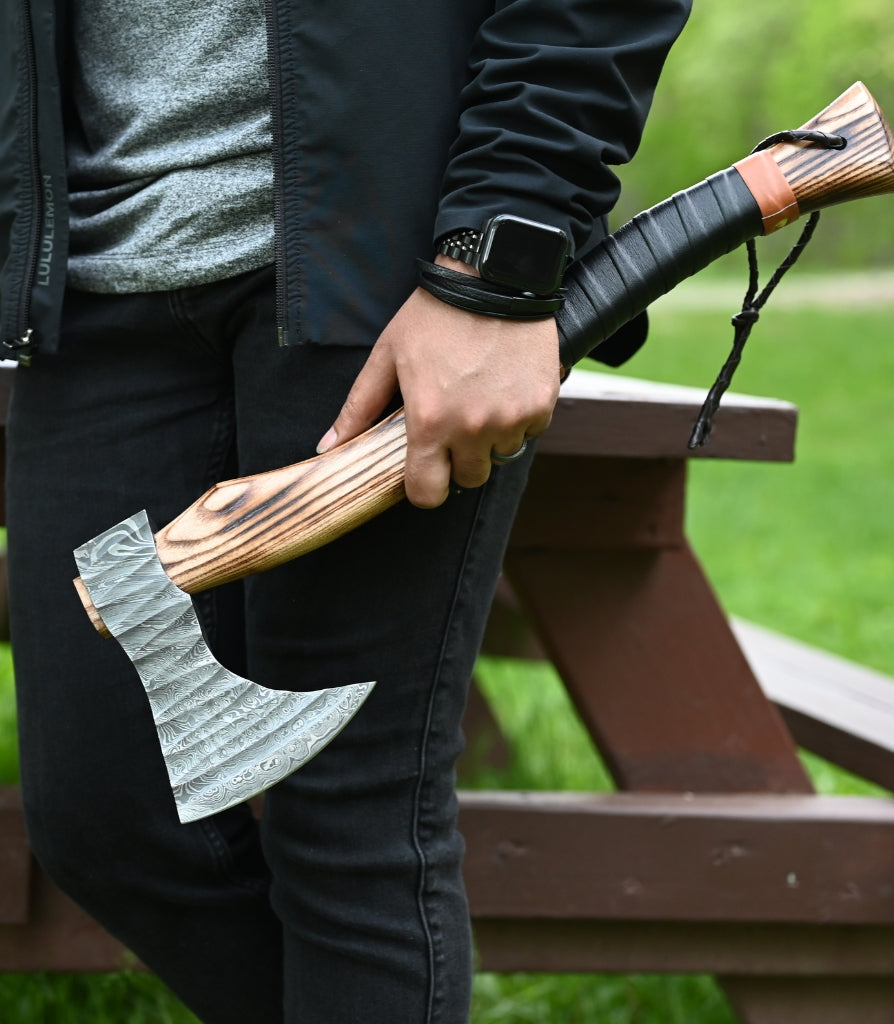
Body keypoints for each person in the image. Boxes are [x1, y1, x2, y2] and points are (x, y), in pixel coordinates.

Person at [1, 0, 690, 1020]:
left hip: (378, 263)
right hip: (94, 277)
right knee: (111, 820)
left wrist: (497, 250)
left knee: (346, 820)